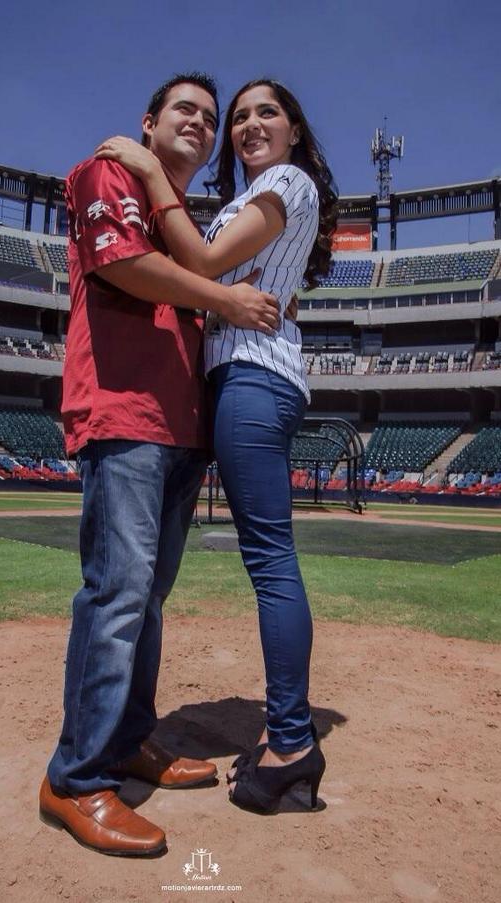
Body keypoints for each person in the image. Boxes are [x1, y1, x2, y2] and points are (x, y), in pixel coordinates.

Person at [39, 72, 281, 857]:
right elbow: (119, 265)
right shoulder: (105, 170)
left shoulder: (189, 224)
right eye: (187, 110)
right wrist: (224, 299)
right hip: (123, 414)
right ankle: (75, 777)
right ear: (147, 124)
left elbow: (195, 268)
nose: (202, 125)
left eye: (209, 120)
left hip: (180, 427)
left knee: (146, 600)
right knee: (115, 595)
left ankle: (128, 740)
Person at [96, 78, 338, 814]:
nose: (248, 124)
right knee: (266, 555)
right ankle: (289, 739)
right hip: (245, 376)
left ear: (295, 129)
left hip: (254, 379)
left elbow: (199, 267)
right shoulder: (259, 194)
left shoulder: (287, 179)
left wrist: (144, 169)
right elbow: (228, 276)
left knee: (269, 557)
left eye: (267, 111)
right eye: (239, 117)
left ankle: (292, 741)